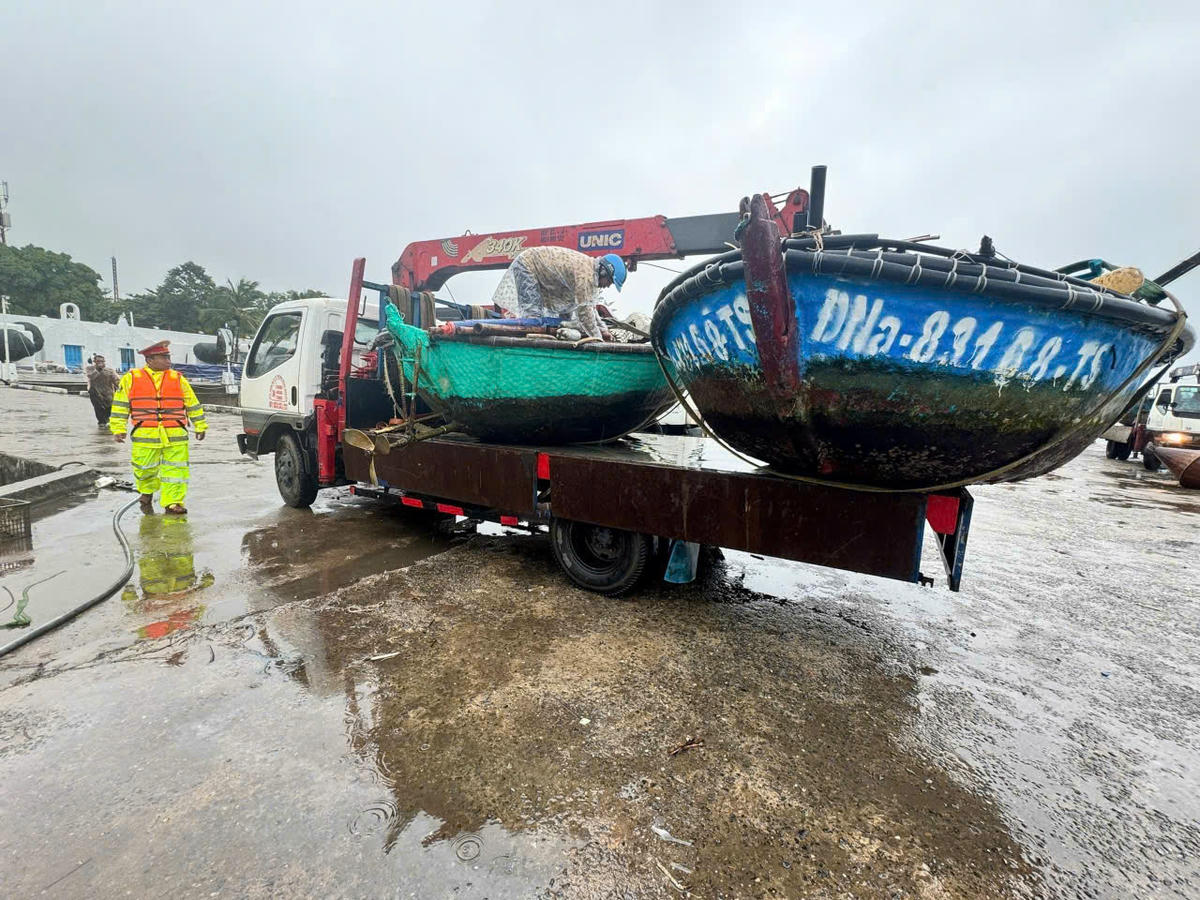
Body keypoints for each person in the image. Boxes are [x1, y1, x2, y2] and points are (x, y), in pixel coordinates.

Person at [109, 341, 207, 515]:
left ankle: (173, 502)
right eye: (164, 357)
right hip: (145, 434)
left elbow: (192, 403)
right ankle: (146, 492)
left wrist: (200, 425)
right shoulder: (131, 378)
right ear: (150, 360)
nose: (168, 361)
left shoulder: (177, 378)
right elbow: (120, 405)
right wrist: (118, 428)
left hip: (175, 434)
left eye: (168, 357)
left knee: (176, 470)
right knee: (144, 468)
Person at [493, 247, 627, 340]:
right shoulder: (585, 276)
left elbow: (590, 308)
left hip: (542, 272)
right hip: (528, 265)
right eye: (609, 281)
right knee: (533, 320)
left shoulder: (590, 272)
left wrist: (603, 330)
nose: (608, 286)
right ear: (603, 271)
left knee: (566, 318)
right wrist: (598, 340)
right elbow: (584, 313)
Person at [84, 354, 120, 426]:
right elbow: (91, 377)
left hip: (108, 394)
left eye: (102, 361)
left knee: (109, 410)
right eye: (98, 361)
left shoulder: (109, 371)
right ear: (94, 362)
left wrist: (122, 387)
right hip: (96, 394)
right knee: (98, 409)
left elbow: (117, 381)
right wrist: (98, 369)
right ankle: (101, 423)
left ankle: (107, 423)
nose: (100, 363)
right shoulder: (90, 369)